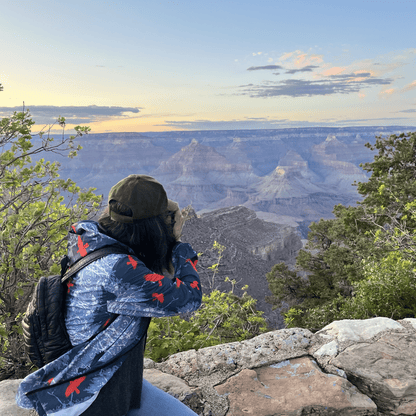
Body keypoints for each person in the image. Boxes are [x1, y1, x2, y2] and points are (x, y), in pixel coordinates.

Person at [16, 175, 202, 416]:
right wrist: (178, 246)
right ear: (154, 228)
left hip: (115, 376)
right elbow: (189, 298)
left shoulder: (89, 239)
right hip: (88, 394)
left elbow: (144, 274)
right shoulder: (118, 269)